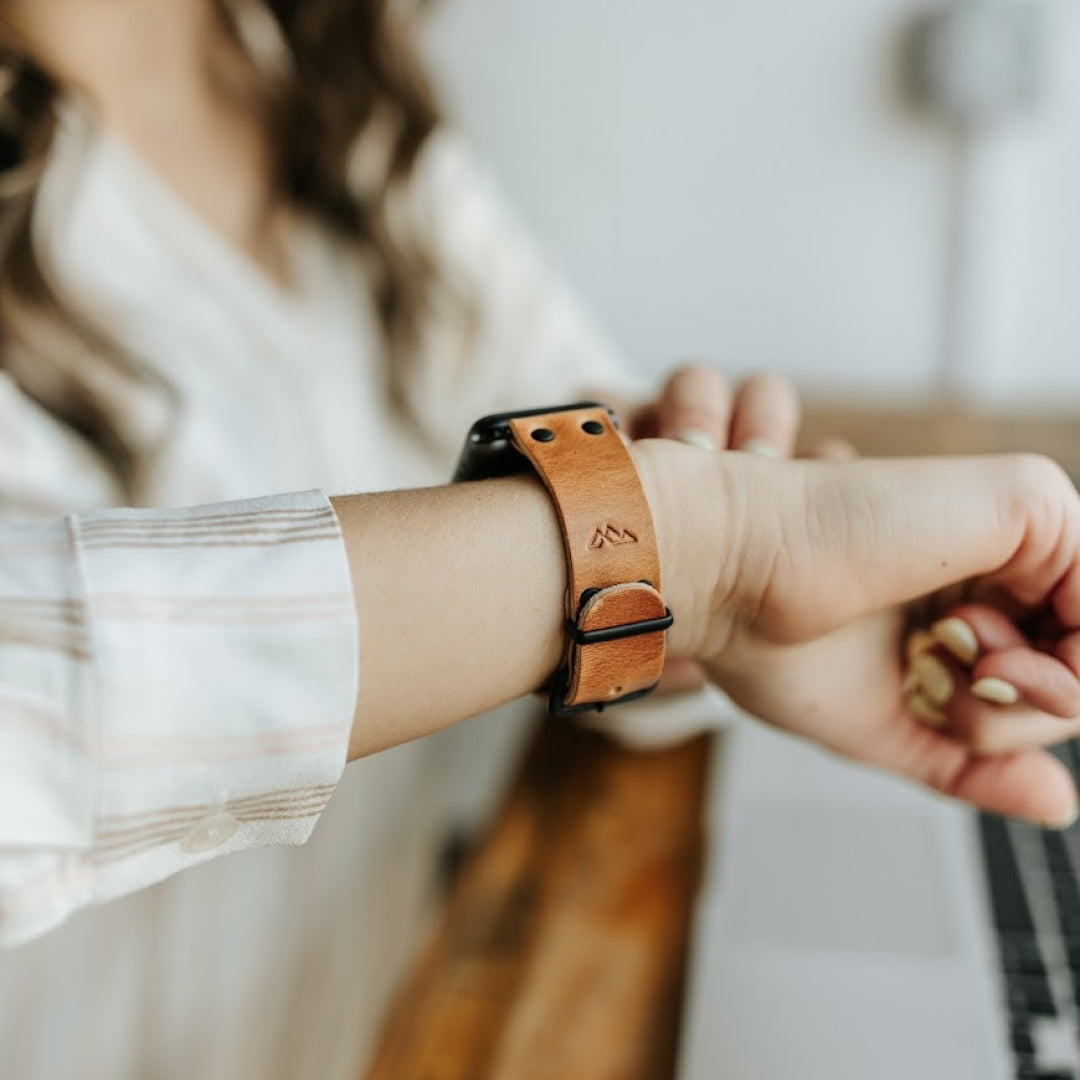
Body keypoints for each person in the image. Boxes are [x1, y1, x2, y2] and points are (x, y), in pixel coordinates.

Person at [1, 1, 1079, 1077]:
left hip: (379, 1020)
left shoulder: (319, 82)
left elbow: (577, 461)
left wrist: (766, 595)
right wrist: (706, 547)